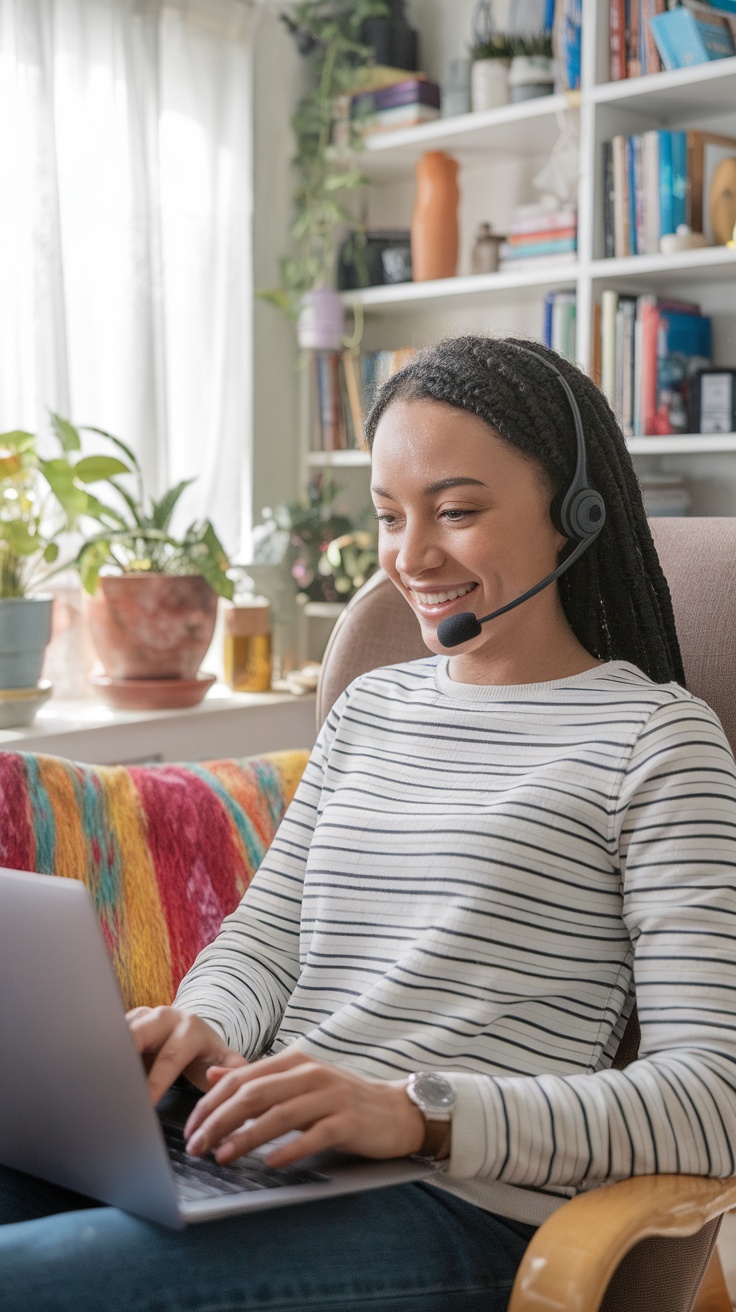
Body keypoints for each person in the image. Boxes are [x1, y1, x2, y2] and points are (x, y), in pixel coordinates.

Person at [2, 334, 736, 1311]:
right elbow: (262, 942)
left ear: (575, 512)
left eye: (457, 511)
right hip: (268, 1153)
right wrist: (203, 1024)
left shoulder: (657, 740)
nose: (411, 556)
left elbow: (710, 1098)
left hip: (456, 1207)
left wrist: (414, 1112)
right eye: (390, 516)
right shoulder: (373, 707)